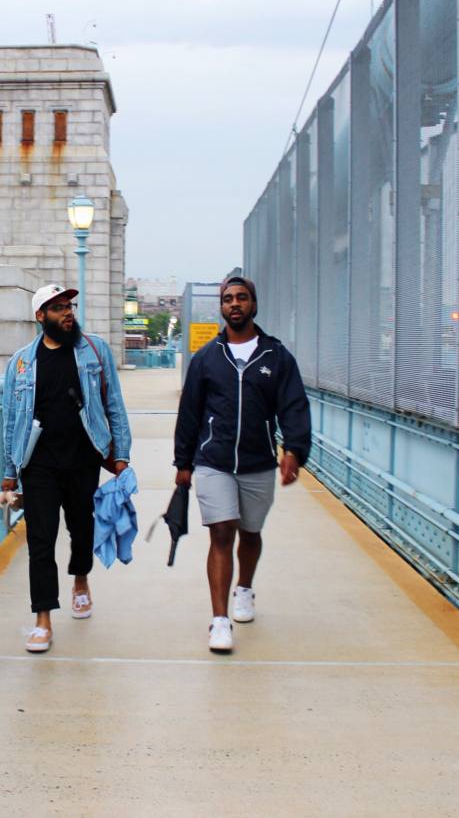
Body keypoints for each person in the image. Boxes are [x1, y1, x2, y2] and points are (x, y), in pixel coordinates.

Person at [172, 276, 310, 653]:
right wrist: (183, 461)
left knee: (250, 532)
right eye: (228, 299)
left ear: (253, 304)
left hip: (258, 462)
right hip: (213, 461)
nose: (235, 304)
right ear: (222, 307)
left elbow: (294, 406)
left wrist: (294, 450)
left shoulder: (276, 357)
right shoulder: (206, 359)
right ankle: (219, 621)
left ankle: (244, 589)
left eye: (242, 298)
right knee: (221, 533)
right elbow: (190, 412)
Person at [2, 283, 132, 653]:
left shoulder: (94, 351)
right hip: (38, 464)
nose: (67, 312)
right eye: (57, 308)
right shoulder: (22, 363)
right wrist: (10, 472)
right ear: (40, 316)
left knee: (81, 528)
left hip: (83, 457)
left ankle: (80, 580)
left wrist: (120, 455)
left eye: (69, 305)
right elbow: (12, 422)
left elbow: (114, 405)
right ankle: (42, 619)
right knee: (40, 541)